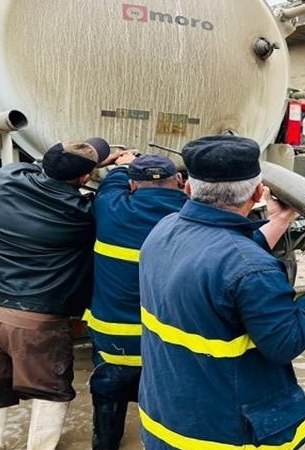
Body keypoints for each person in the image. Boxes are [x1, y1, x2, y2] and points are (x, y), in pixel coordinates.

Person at [137, 135, 305, 449]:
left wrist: (280, 220)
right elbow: (286, 341)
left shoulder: (163, 230)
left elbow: (219, 258)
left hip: (166, 419)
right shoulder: (250, 268)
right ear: (257, 192)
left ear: (187, 187)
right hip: (223, 434)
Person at [0, 138, 117, 450]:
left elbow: (40, 169)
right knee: (50, 390)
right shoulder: (82, 215)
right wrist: (111, 173)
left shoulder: (5, 180)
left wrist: (82, 167)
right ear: (84, 179)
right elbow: (110, 204)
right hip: (31, 318)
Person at [84, 153, 188, 450]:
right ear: (180, 182)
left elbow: (111, 185)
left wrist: (122, 162)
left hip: (113, 339)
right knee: (167, 406)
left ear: (132, 184)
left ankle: (105, 442)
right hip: (167, 341)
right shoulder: (190, 216)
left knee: (108, 393)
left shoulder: (109, 208)